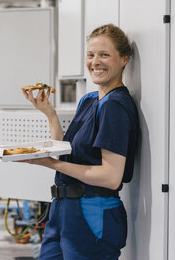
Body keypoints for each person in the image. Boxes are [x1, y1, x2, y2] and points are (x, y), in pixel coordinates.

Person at [21, 23, 139, 260]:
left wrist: (50, 164)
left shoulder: (115, 106)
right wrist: (50, 114)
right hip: (63, 209)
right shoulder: (89, 100)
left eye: (104, 55)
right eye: (91, 55)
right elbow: (65, 152)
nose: (95, 62)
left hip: (92, 211)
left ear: (124, 59)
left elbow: (111, 176)